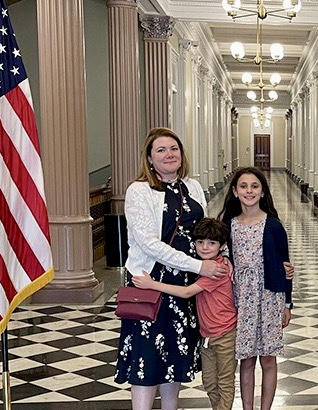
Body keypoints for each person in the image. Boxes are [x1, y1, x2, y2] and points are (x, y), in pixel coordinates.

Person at [115, 127, 230, 410]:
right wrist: (198, 265)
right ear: (150, 159)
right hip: (150, 281)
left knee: (174, 354)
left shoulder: (192, 186)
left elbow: (204, 232)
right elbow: (148, 243)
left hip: (184, 286)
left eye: (174, 149)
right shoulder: (139, 190)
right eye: (161, 150)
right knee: (147, 356)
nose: (169, 154)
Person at [132, 218, 237, 410]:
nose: (204, 247)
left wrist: (152, 285)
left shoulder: (216, 270)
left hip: (225, 334)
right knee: (210, 382)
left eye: (211, 243)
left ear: (222, 246)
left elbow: (186, 292)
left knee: (224, 382)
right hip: (207, 335)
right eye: (200, 242)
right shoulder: (204, 265)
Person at [218, 167, 292, 410]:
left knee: (268, 358)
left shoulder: (273, 225)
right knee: (246, 359)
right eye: (243, 186)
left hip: (270, 296)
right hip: (240, 298)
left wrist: (288, 304)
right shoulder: (228, 226)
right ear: (235, 191)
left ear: (262, 192)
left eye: (254, 186)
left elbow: (285, 265)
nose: (249, 191)